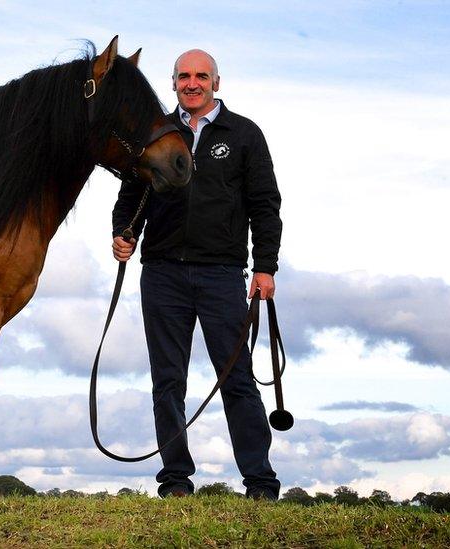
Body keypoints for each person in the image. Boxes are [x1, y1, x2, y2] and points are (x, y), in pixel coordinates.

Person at [111, 49, 282, 500]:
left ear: (216, 83)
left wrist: (265, 265)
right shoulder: (154, 134)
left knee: (237, 379)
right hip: (162, 274)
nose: (192, 83)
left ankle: (261, 482)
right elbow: (130, 198)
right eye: (184, 76)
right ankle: (175, 481)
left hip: (222, 274)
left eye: (200, 76)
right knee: (167, 381)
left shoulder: (244, 134)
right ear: (173, 84)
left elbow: (265, 204)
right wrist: (123, 234)